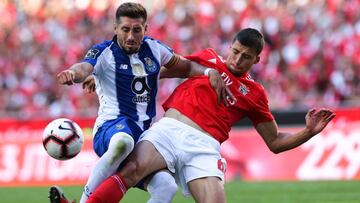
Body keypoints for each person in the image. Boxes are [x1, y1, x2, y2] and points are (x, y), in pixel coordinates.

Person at [85, 28, 336, 203]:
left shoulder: (256, 93)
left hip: (205, 148)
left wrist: (308, 132)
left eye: (246, 57)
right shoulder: (208, 58)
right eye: (235, 51)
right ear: (230, 46)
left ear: (257, 60)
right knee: (131, 170)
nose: (237, 59)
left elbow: (275, 142)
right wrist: (107, 77)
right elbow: (157, 71)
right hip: (169, 130)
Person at [49, 2, 232, 203]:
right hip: (111, 129)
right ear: (116, 28)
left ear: (145, 29)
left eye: (137, 30)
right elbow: (84, 67)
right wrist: (73, 73)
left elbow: (185, 67)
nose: (130, 36)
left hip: (144, 137)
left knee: (167, 187)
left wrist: (209, 71)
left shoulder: (155, 49)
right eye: (125, 29)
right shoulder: (104, 52)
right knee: (123, 142)